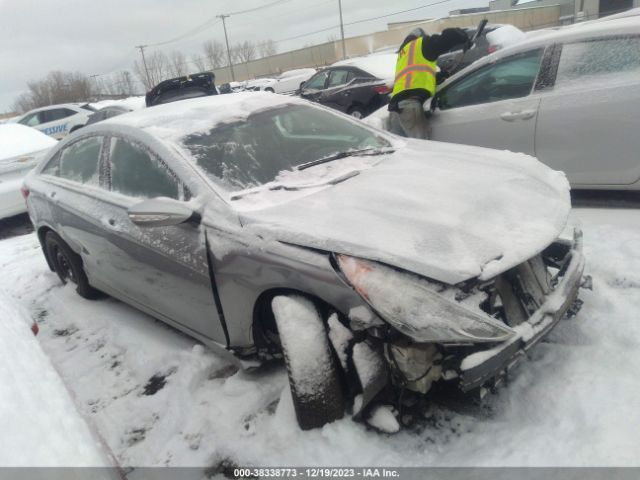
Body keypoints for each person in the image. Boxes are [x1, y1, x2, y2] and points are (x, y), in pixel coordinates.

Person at [388, 27, 470, 139]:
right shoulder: (420, 44)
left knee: (402, 151)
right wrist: (463, 36)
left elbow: (413, 78)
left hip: (395, 109)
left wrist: (440, 76)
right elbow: (447, 38)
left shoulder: (404, 53)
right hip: (410, 106)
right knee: (421, 149)